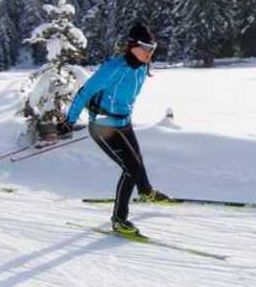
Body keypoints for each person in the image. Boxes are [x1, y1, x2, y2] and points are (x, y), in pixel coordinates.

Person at [61, 22, 172, 236]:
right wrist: (68, 121)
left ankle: (146, 192)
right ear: (133, 46)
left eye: (152, 48)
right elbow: (84, 92)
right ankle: (119, 220)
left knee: (137, 160)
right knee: (131, 168)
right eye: (146, 48)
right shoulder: (113, 68)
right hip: (102, 126)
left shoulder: (142, 67)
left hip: (123, 122)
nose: (150, 53)